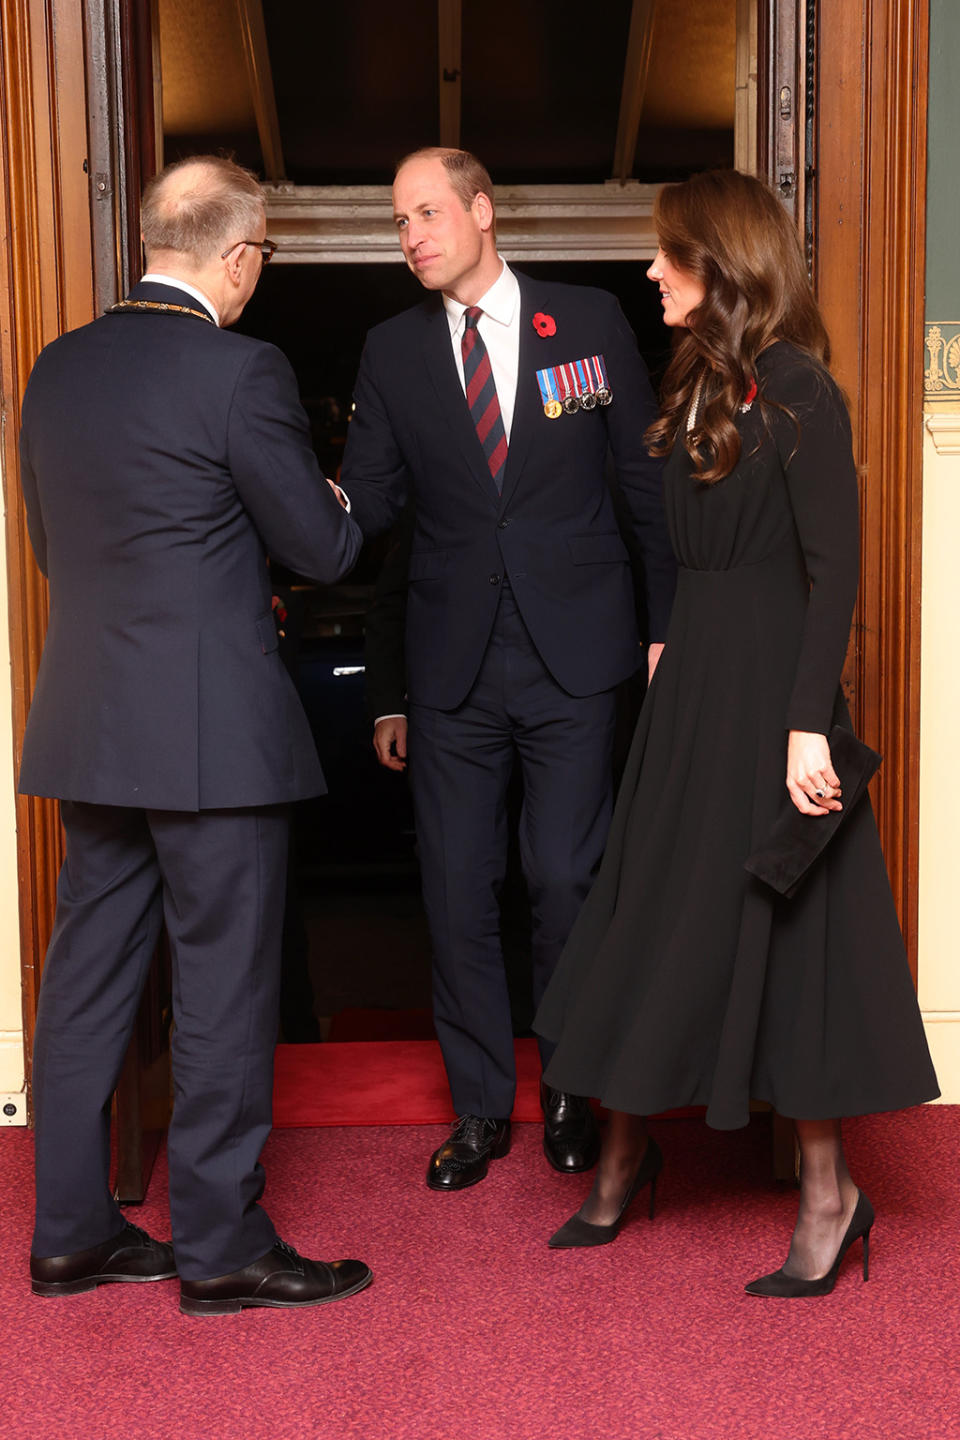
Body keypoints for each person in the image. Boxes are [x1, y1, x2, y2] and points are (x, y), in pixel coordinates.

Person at [535, 169, 939, 1294]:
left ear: (724, 265)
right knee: (650, 912)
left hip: (775, 700)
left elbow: (834, 569)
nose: (653, 271)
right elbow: (682, 551)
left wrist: (808, 729)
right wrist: (668, 644)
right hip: (697, 687)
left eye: (670, 255)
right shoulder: (706, 384)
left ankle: (829, 1199)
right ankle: (624, 1154)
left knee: (790, 931)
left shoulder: (803, 387)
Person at [20, 155, 372, 1316]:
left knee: (84, 985)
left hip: (93, 720)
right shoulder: (240, 371)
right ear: (237, 257)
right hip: (211, 735)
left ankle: (71, 1234)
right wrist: (338, 497)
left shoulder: (56, 368)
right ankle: (220, 1248)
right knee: (221, 990)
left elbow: (55, 554)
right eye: (262, 251)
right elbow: (322, 553)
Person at [340, 147, 676, 1190]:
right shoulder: (391, 353)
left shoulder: (586, 324)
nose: (413, 236)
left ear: (483, 213)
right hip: (453, 668)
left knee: (566, 877)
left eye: (428, 213)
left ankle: (572, 1088)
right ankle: (481, 1109)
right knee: (455, 888)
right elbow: (376, 523)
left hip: (577, 653)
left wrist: (665, 630)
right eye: (399, 222)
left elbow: (641, 487)